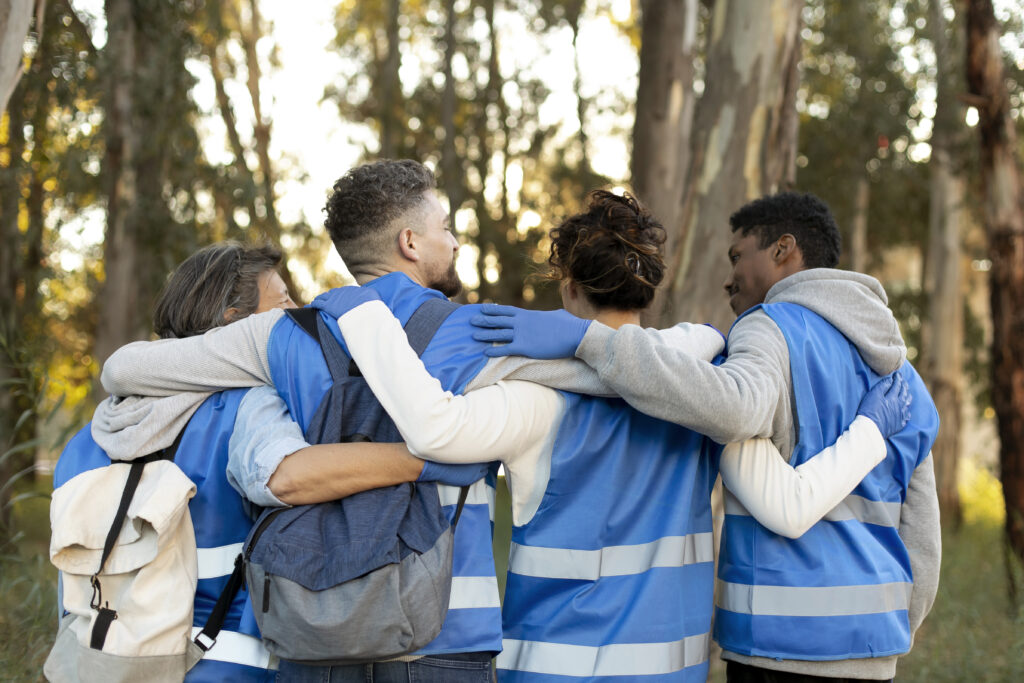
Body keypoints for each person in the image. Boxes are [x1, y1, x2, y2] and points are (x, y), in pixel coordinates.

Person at [100, 185, 908, 681]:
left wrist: (365, 316)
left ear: (564, 286)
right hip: (673, 664)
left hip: (538, 662)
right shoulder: (702, 364)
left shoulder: (527, 394)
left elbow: (434, 423)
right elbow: (770, 480)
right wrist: (874, 430)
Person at [470, 192, 941, 682]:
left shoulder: (765, 331)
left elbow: (733, 406)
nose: (728, 277)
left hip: (774, 645)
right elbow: (924, 536)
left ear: (783, 250)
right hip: (874, 650)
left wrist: (580, 345)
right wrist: (889, 632)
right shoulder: (901, 375)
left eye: (738, 256)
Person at [54, 242, 482, 682]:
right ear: (233, 323)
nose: (298, 316)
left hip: (103, 661)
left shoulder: (91, 437)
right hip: (220, 663)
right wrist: (429, 459)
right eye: (282, 306)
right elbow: (287, 477)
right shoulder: (244, 407)